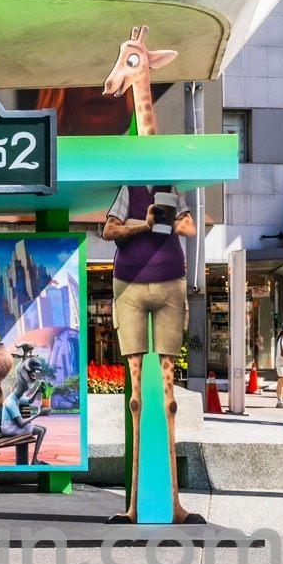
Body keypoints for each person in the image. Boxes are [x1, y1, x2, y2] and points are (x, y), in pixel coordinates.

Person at [103, 183, 200, 524]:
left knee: (168, 398)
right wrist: (145, 225)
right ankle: (135, 507)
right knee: (136, 397)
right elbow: (109, 230)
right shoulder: (128, 190)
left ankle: (173, 505)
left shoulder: (169, 189)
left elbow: (189, 227)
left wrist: (165, 220)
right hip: (129, 284)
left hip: (170, 282)